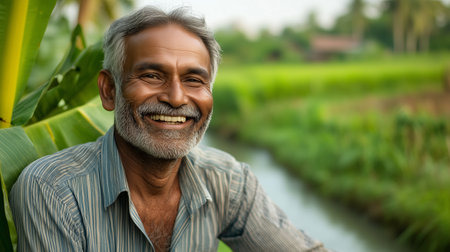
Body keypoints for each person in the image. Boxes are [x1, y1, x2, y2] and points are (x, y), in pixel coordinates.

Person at [10, 6, 330, 252]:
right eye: (151, 75)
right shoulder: (53, 190)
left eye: (194, 80)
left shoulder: (228, 182)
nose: (176, 98)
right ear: (109, 90)